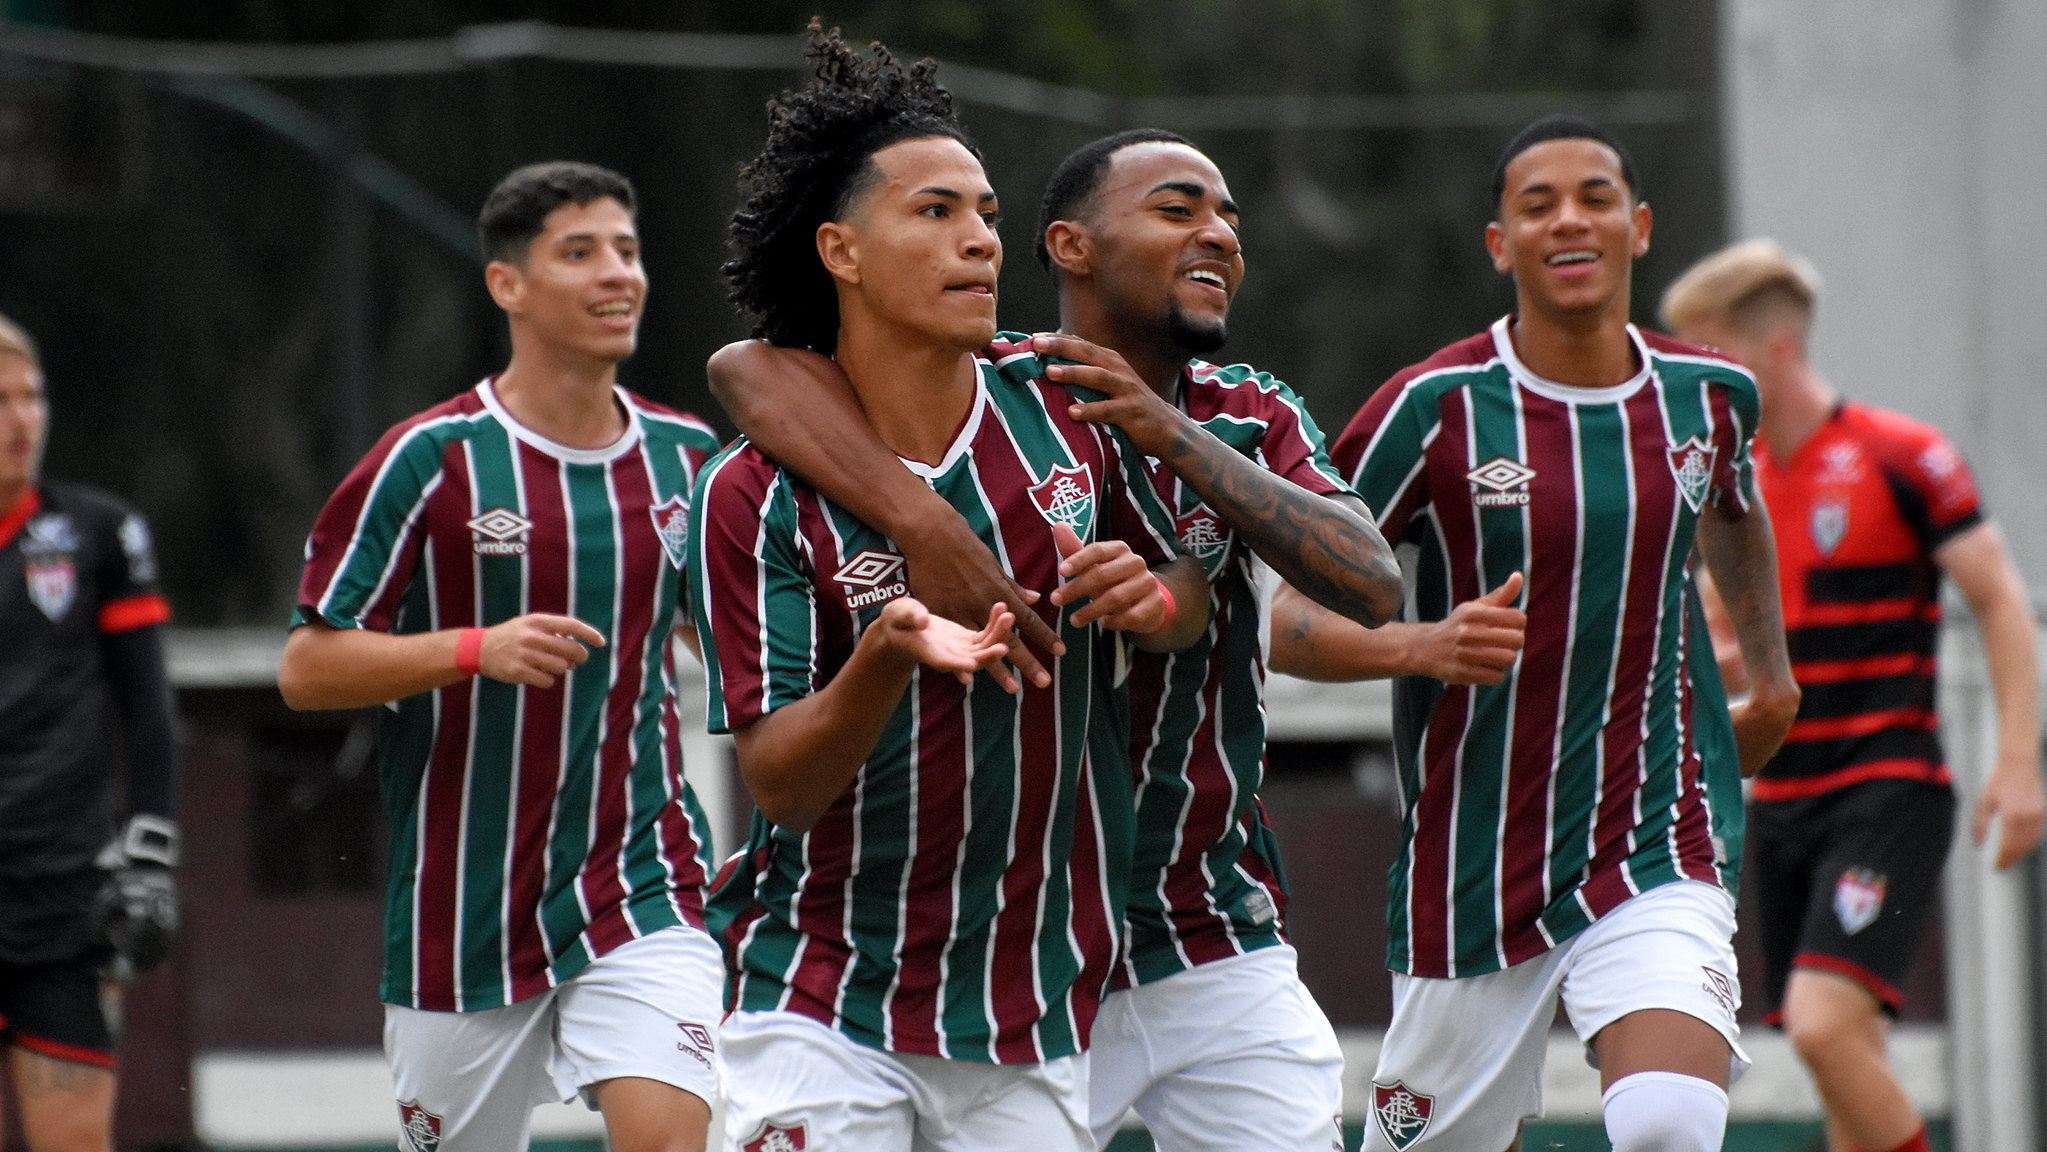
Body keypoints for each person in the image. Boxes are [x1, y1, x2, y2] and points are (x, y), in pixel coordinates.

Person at [709, 123, 1408, 1150]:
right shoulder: (1013, 399)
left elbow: (1302, 586)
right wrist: (922, 531)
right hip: (914, 956)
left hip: (1185, 929)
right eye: (1178, 210)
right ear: (1073, 246)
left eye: (983, 215)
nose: (1217, 234)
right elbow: (746, 370)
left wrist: (1164, 541)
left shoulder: (1191, 418)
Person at [690, 28, 1210, 1152]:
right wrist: (883, 655)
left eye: (982, 212)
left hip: (1024, 1010)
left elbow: (1190, 596)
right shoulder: (750, 494)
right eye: (933, 212)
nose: (979, 240)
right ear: (841, 250)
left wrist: (1153, 599)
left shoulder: (1068, 412)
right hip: (821, 994)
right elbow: (778, 782)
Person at [1328, 115, 1802, 1152]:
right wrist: (1417, 646)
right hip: (1469, 869)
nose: (1568, 219)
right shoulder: (1429, 410)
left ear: (1636, 227)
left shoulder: (1708, 397)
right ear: (1499, 245)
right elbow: (1290, 610)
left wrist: (1771, 681)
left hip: (1653, 844)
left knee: (1670, 1123)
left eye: (1593, 197)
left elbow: (1732, 507)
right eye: (1535, 205)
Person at [275, 162, 722, 1152]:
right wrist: (475, 648)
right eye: (580, 252)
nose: (618, 274)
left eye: (628, 249)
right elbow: (308, 666)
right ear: (506, 283)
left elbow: (727, 644)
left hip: (639, 880)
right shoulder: (427, 460)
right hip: (458, 916)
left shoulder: (688, 459)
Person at [1661, 239, 2045, 1152]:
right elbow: (1730, 654)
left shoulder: (1901, 456)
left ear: (1772, 349)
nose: (1685, 376)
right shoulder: (1725, 484)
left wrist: (2021, 763)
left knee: (1826, 1027)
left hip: (1887, 789)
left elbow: (1998, 598)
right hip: (1781, 802)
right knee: (1836, 1050)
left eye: (1702, 352)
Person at [0, 311, 180, 1152]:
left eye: (31, 397)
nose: (20, 420)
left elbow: (148, 709)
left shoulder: (99, 532)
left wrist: (150, 851)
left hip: (62, 899)